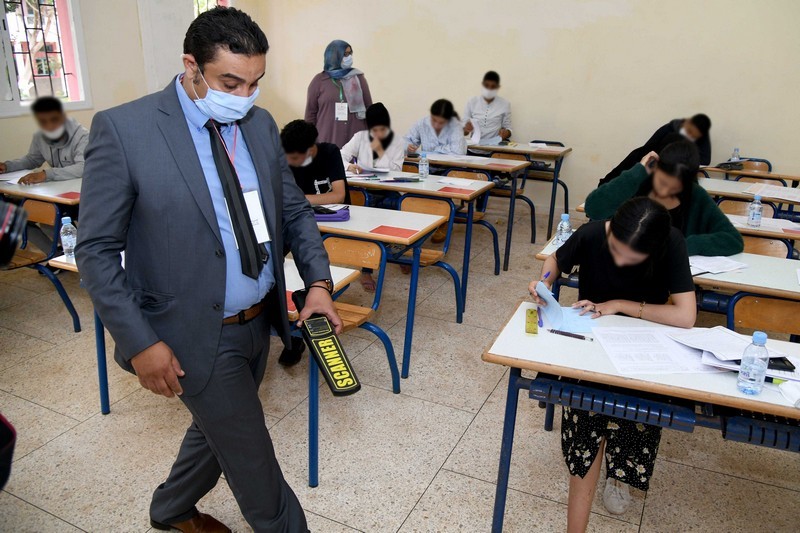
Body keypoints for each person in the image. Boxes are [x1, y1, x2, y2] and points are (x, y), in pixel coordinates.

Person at [76, 8, 341, 532]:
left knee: (217, 429)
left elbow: (293, 213)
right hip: (191, 331)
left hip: (258, 322)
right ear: (191, 66)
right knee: (255, 465)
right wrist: (139, 342)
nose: (244, 96)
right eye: (230, 83)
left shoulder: (260, 126)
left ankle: (170, 508)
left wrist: (318, 283)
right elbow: (97, 251)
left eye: (255, 83)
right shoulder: (126, 130)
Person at [529, 197, 697, 532]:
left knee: (632, 422)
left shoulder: (671, 242)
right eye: (617, 249)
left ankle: (618, 476)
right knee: (586, 428)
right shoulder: (593, 233)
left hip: (642, 351)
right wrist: (545, 282)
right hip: (591, 346)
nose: (620, 260)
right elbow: (554, 260)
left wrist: (619, 305)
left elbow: (686, 315)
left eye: (631, 256)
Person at [585, 139, 742, 257]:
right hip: (626, 270)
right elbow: (593, 209)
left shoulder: (695, 195)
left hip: (671, 278)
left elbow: (733, 240)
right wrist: (637, 172)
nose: (665, 191)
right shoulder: (636, 184)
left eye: (674, 188)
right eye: (662, 182)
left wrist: (684, 245)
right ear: (656, 168)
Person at [599, 114, 712, 186]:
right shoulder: (668, 130)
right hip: (642, 169)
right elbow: (649, 149)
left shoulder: (700, 136)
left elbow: (705, 160)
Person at [0, 96, 89, 185]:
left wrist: (46, 175)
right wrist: (8, 166)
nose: (49, 125)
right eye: (43, 121)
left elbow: (83, 167)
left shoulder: (83, 136)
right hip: (58, 185)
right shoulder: (40, 136)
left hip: (81, 185)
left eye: (54, 119)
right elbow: (32, 160)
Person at [305, 39, 373, 148]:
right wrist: (310, 142)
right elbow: (310, 114)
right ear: (333, 56)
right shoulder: (319, 80)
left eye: (350, 53)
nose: (349, 57)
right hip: (327, 140)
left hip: (356, 141)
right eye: (345, 54)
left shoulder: (358, 78)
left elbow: (369, 109)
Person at [281, 119, 350, 205]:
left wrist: (297, 199)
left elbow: (339, 196)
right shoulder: (286, 159)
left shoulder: (330, 152)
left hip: (336, 212)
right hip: (303, 211)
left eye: (294, 158)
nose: (289, 162)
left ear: (310, 151)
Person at [340, 102, 405, 173]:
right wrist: (349, 166)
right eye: (374, 130)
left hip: (387, 179)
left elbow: (397, 169)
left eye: (382, 129)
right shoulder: (360, 137)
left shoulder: (397, 141)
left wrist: (380, 153)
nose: (378, 134)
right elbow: (340, 156)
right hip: (363, 179)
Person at [463, 71, 512, 148]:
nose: (489, 89)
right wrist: (466, 129)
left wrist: (506, 133)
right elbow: (463, 131)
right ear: (482, 85)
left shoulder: (505, 104)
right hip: (473, 148)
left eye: (493, 86)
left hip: (494, 149)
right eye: (486, 85)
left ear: (498, 87)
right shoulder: (472, 102)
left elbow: (508, 129)